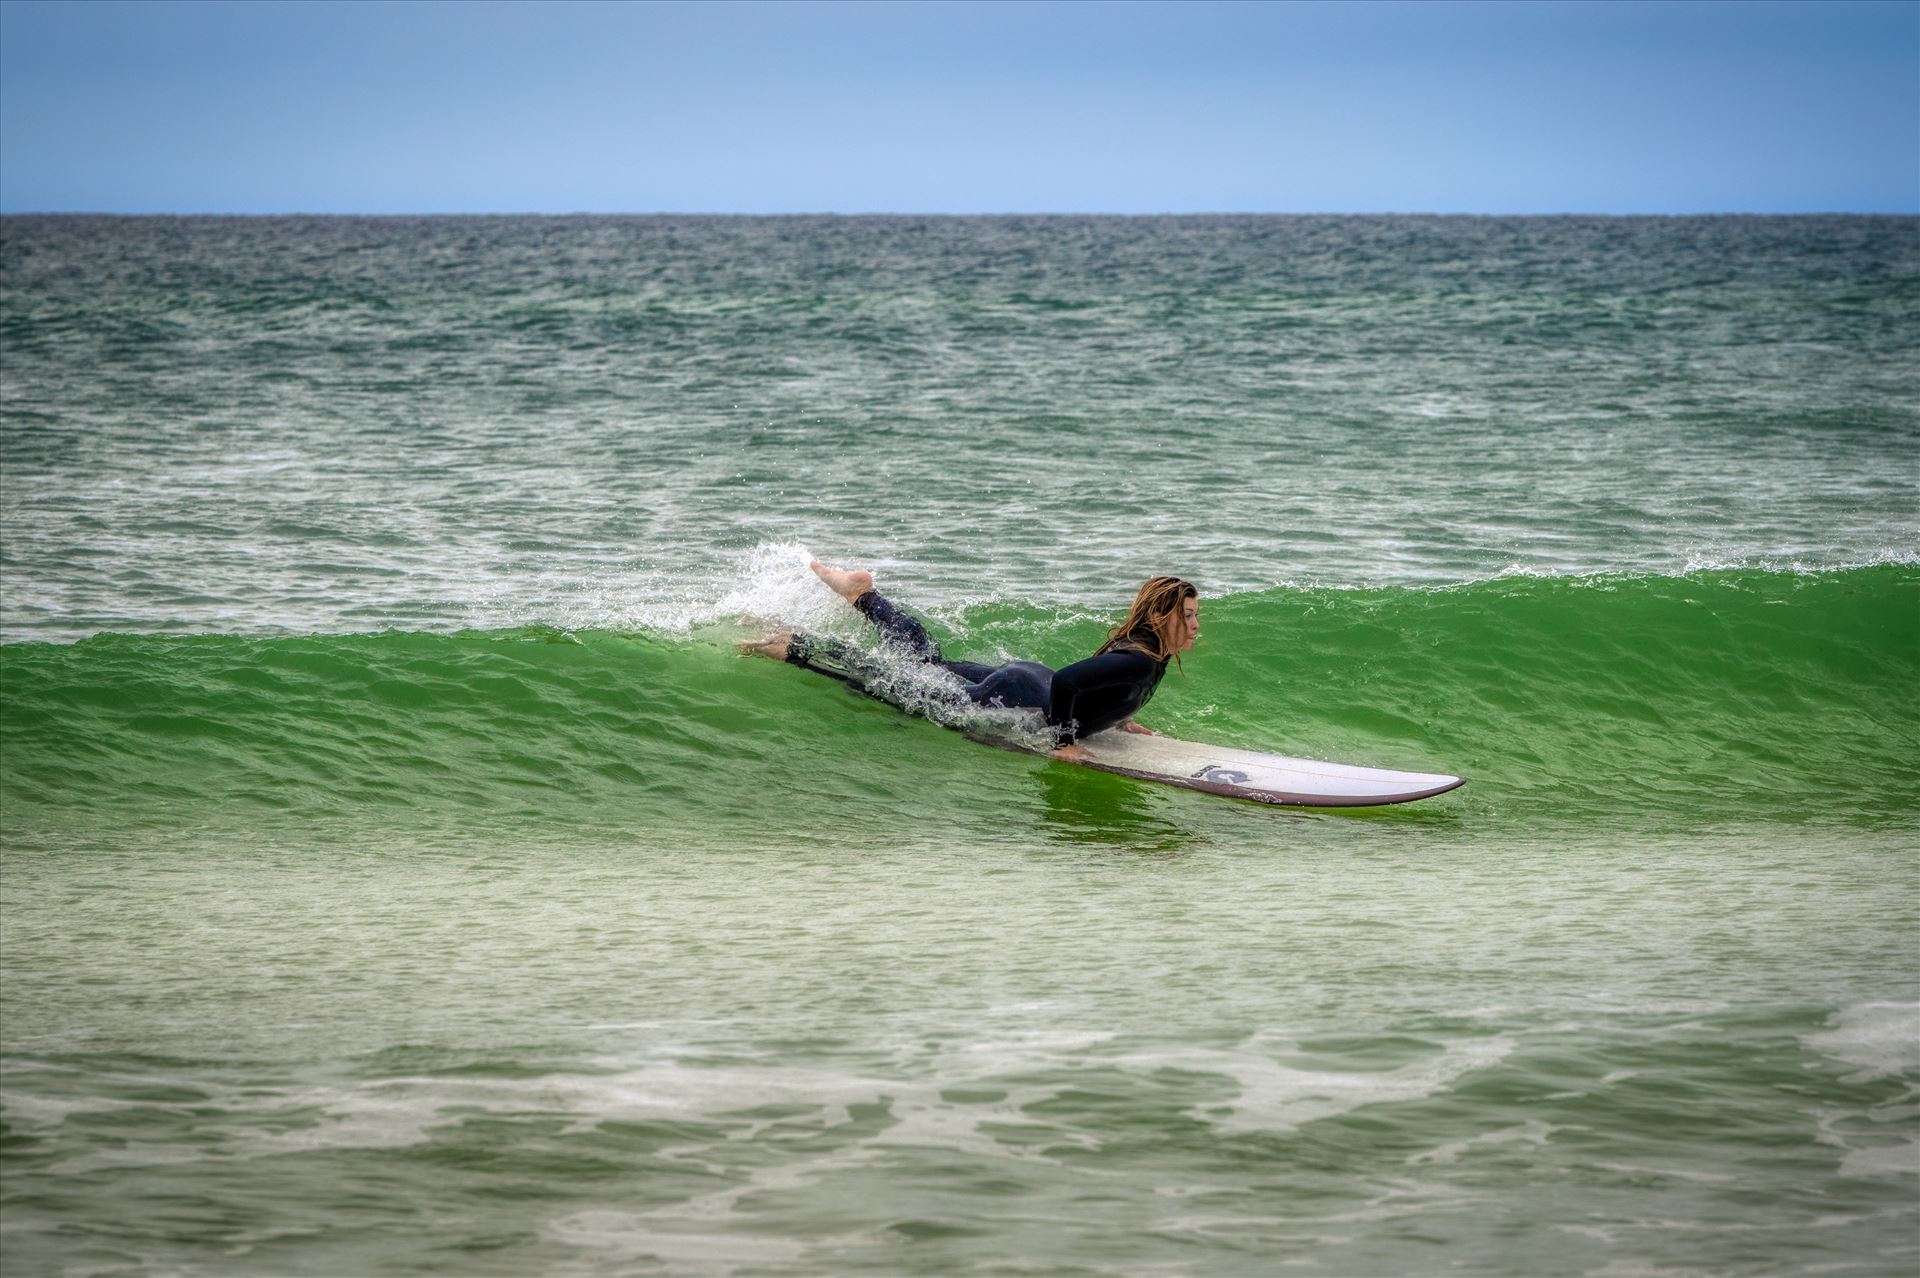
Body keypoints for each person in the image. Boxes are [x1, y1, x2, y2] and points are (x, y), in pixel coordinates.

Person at [741, 561, 1199, 762]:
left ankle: (863, 594)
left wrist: (1119, 719)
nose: (1196, 626)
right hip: (1019, 693)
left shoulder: (1146, 649)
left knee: (928, 662)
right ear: (1160, 618)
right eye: (1189, 616)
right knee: (894, 688)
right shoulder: (1142, 661)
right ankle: (795, 647)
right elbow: (1072, 685)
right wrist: (1063, 744)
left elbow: (1101, 679)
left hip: (1026, 679)